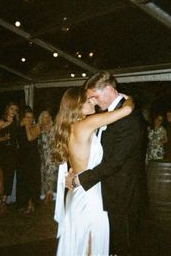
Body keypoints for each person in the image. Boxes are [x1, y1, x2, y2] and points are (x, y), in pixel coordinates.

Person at [66, 71, 147, 256]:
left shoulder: (129, 118)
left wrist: (81, 179)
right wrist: (75, 169)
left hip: (122, 194)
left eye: (93, 96)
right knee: (101, 243)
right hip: (103, 191)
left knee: (122, 246)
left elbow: (115, 162)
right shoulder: (112, 114)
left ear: (108, 89)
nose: (93, 101)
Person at [54, 86, 134, 256]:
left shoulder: (71, 127)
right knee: (90, 243)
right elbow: (127, 110)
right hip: (89, 196)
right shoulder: (86, 124)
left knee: (81, 243)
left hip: (77, 194)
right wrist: (127, 97)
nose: (93, 101)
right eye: (88, 99)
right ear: (78, 105)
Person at [0, 102, 19, 217]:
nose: (14, 111)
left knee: (9, 177)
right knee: (1, 176)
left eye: (16, 109)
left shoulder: (16, 123)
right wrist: (3, 138)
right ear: (7, 109)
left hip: (12, 152)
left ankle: (3, 202)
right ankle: (2, 203)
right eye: (12, 109)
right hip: (1, 151)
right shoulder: (1, 122)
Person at [17, 106, 41, 214]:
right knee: (23, 180)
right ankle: (23, 203)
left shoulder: (36, 126)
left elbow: (30, 138)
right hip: (22, 156)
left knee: (32, 180)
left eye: (31, 117)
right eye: (27, 117)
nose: (29, 119)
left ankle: (31, 204)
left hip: (32, 157)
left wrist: (27, 126)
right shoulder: (20, 127)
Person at [38, 110, 56, 203]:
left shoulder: (54, 129)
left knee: (51, 175)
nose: (47, 118)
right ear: (41, 119)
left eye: (48, 116)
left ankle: (49, 194)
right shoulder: (39, 130)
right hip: (43, 157)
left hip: (53, 157)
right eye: (45, 116)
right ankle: (46, 193)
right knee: (44, 176)